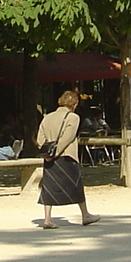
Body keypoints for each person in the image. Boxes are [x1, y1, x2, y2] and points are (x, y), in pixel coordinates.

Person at [36, 90, 98, 229]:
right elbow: (67, 138)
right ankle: (85, 214)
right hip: (67, 156)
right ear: (74, 104)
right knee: (76, 185)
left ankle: (47, 218)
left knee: (49, 187)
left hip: (49, 157)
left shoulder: (47, 117)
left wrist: (47, 153)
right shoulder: (73, 117)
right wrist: (56, 153)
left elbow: (40, 138)